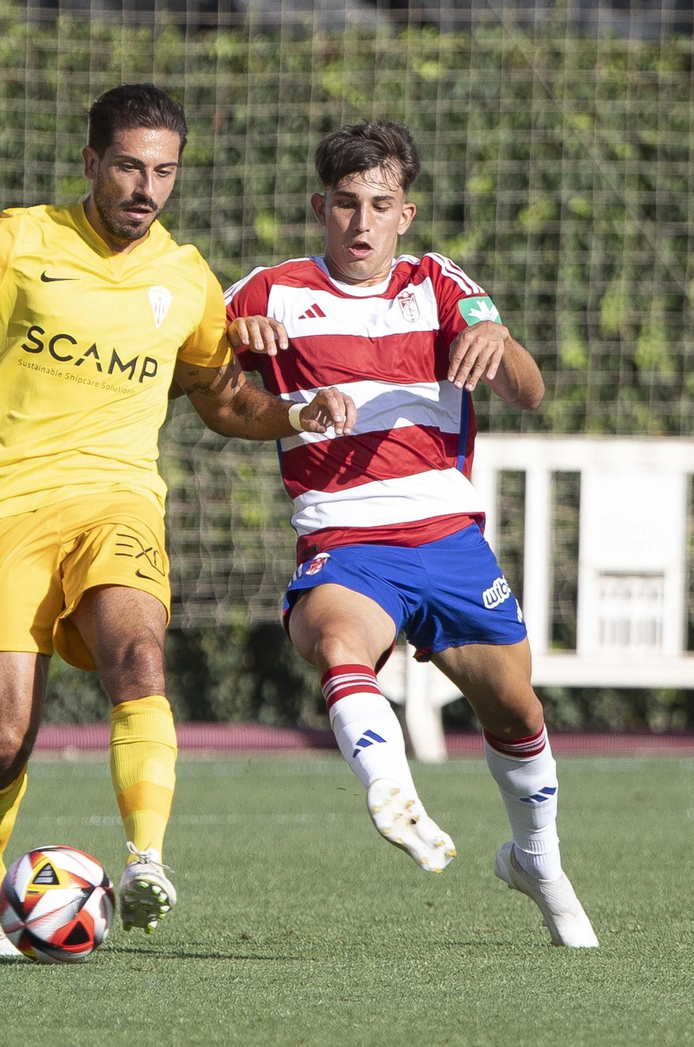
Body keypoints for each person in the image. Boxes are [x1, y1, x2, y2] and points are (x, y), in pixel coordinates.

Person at [0, 84, 352, 957]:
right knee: (4, 736)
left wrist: (295, 414)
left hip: (119, 498)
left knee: (140, 657)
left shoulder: (188, 280)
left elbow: (223, 401)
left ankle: (146, 858)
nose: (145, 187)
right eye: (127, 166)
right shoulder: (22, 237)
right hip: (9, 506)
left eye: (163, 171)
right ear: (91, 164)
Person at [220, 120, 598, 947]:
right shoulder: (267, 294)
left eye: (380, 204)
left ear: (406, 213)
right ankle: (391, 788)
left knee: (515, 704)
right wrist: (240, 361)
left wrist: (500, 341)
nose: (361, 222)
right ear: (320, 207)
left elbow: (529, 393)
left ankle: (537, 857)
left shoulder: (439, 283)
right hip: (344, 539)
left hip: (448, 542)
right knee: (338, 643)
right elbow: (206, 390)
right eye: (346, 204)